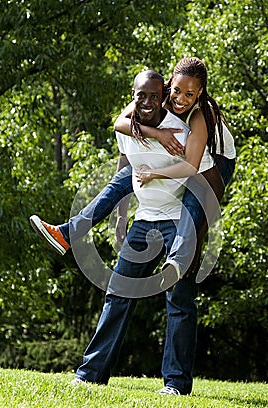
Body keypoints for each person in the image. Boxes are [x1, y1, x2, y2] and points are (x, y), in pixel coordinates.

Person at [30, 57, 236, 290]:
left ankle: (180, 259)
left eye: (189, 94)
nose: (180, 99)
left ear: (199, 93)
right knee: (124, 178)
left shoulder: (200, 115)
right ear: (170, 83)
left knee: (190, 203)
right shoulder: (158, 95)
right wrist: (157, 135)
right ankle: (66, 234)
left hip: (216, 165)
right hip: (184, 155)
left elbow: (198, 174)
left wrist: (198, 239)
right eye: (177, 91)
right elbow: (120, 123)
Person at [71, 69, 205, 395]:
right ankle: (90, 374)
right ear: (132, 95)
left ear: (163, 97)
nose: (146, 102)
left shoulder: (181, 129)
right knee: (118, 292)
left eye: (154, 96)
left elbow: (190, 171)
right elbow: (124, 168)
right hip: (143, 221)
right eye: (140, 96)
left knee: (179, 297)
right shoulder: (128, 129)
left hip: (176, 219)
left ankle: (175, 383)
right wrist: (121, 218)